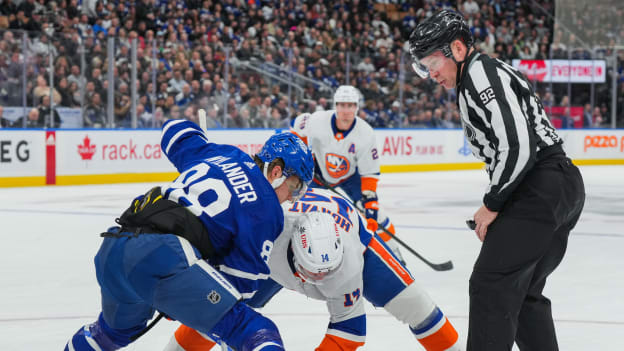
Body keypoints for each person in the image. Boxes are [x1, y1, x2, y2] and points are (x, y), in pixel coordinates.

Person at [408, 10, 585, 351]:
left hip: (542, 184)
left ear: (457, 49)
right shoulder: (474, 78)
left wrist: (492, 205)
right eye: (422, 66)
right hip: (554, 187)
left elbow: (518, 145)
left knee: (491, 285)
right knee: (523, 293)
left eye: (432, 62)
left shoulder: (480, 75)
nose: (430, 74)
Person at [64, 119, 315, 351]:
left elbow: (174, 130)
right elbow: (241, 288)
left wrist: (203, 145)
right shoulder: (268, 211)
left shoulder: (224, 153)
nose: (291, 197)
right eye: (294, 186)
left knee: (109, 334)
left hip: (116, 248)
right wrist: (188, 295)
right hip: (163, 259)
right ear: (276, 172)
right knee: (255, 330)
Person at [165, 188, 461, 351]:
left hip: (354, 236)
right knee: (219, 309)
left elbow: (351, 332)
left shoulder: (347, 264)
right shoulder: (267, 233)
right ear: (293, 250)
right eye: (313, 272)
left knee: (418, 306)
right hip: (274, 262)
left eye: (324, 273)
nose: (318, 281)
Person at [290, 85, 405, 262]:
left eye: (351, 105)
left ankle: (395, 254)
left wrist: (370, 204)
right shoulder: (318, 120)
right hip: (318, 174)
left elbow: (369, 174)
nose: (346, 110)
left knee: (377, 216)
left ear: (357, 107)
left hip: (350, 177)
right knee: (296, 209)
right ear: (335, 105)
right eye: (342, 105)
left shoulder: (365, 133)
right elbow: (297, 135)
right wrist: (303, 157)